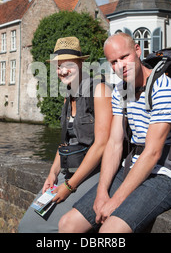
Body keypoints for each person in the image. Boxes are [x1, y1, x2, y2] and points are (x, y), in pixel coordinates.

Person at [58, 32, 171, 233]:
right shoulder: (121, 90)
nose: (120, 65)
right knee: (67, 225)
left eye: (124, 57)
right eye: (113, 62)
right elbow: (114, 143)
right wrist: (102, 192)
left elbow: (153, 152)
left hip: (167, 175)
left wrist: (116, 200)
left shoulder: (163, 88)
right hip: (132, 167)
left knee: (109, 232)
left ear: (138, 50)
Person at [18, 36, 112, 233]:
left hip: (96, 173)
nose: (63, 71)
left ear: (81, 64)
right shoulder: (68, 98)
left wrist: (69, 186)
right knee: (26, 226)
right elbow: (65, 144)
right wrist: (53, 173)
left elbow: (101, 145)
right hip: (69, 172)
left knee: (56, 227)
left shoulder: (99, 90)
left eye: (69, 65)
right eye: (59, 66)